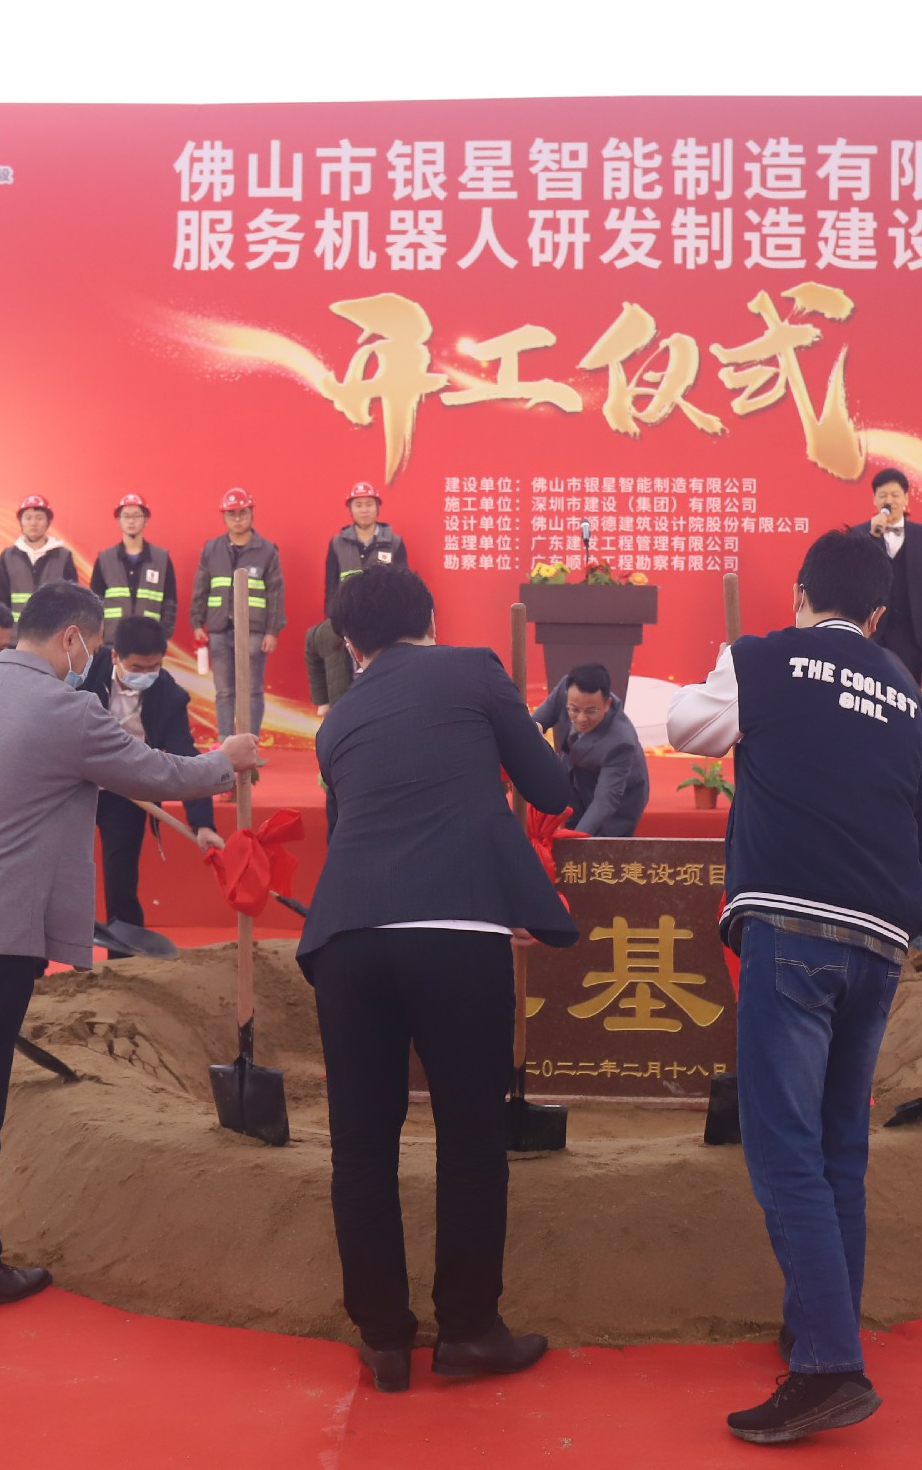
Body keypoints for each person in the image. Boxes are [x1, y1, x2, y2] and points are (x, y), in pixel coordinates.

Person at [0, 582, 257, 1309]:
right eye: (95, 647)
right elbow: (156, 773)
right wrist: (225, 759)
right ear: (73, 638)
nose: (94, 661)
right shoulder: (68, 710)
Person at [670, 529, 922, 1445]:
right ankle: (818, 1329)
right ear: (877, 614)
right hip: (878, 940)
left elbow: (686, 730)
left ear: (800, 595)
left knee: (785, 1147)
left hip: (792, 931)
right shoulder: (906, 691)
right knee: (839, 1147)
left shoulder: (763, 658)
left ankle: (830, 1364)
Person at [297, 566, 575, 1394]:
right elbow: (551, 788)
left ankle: (384, 1338)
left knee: (360, 1145)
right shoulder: (473, 669)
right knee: (470, 1137)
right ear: (430, 618)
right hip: (456, 930)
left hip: (347, 940)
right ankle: (469, 1331)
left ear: (351, 645)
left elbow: (347, 830)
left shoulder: (336, 723)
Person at [84, 614, 225, 928]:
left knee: (121, 882)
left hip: (127, 793)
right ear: (115, 656)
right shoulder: (85, 672)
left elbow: (184, 756)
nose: (146, 675)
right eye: (137, 668)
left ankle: (124, 952)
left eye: (154, 667)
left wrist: (203, 823)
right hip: (75, 787)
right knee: (63, 874)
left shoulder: (168, 695)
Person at [193, 486, 285, 737]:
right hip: (219, 629)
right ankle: (225, 745)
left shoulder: (267, 551)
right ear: (223, 517)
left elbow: (276, 593)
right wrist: (197, 622)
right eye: (231, 514)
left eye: (242, 513)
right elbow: (201, 587)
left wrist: (272, 631)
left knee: (252, 690)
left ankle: (249, 744)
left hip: (254, 632)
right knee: (224, 691)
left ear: (252, 514)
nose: (237, 519)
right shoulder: (211, 549)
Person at [309, 481, 407, 715]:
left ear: (378, 508)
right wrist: (333, 622)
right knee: (347, 680)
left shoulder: (394, 543)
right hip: (347, 624)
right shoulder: (337, 543)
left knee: (380, 680)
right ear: (351, 509)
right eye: (359, 505)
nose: (364, 510)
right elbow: (331, 587)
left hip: (383, 625)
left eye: (369, 504)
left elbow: (403, 587)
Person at [847, 467, 922, 685]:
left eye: (895, 495)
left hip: (913, 634)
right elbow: (853, 580)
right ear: (874, 500)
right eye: (883, 495)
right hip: (871, 632)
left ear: (906, 498)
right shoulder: (858, 534)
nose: (889, 500)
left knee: (909, 691)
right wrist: (872, 536)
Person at [531, 662, 650, 837]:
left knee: (598, 846)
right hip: (576, 776)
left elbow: (605, 800)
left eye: (591, 711)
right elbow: (535, 724)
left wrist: (575, 840)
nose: (581, 719)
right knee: (571, 822)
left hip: (617, 800)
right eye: (574, 709)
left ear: (607, 704)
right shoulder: (567, 688)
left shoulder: (621, 742)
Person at [89, 491, 177, 636]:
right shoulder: (105, 559)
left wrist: (163, 633)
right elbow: (94, 602)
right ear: (118, 521)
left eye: (136, 516)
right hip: (113, 639)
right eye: (126, 516)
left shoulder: (161, 559)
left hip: (150, 638)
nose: (131, 521)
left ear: (146, 520)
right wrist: (98, 634)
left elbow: (170, 601)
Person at [0, 495, 79, 615]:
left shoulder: (63, 557)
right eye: (28, 518)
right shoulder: (7, 557)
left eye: (39, 518)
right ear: (21, 522)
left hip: (52, 626)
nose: (33, 523)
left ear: (48, 522)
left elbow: (72, 600)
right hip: (18, 627)